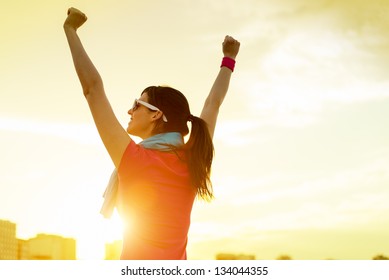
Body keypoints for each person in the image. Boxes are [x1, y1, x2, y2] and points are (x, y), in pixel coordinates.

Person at [63, 7, 240, 260]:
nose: (129, 110)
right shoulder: (193, 159)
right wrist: (229, 59)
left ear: (157, 114)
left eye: (137, 103)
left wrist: (70, 30)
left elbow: (92, 89)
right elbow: (213, 104)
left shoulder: (134, 160)